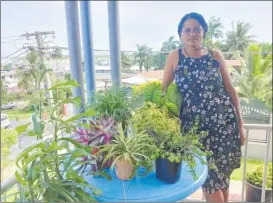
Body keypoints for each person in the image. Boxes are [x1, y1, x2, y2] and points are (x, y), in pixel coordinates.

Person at [161, 12, 246, 202]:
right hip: (194, 131)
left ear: (204, 32)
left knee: (222, 178)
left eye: (197, 29)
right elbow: (163, 92)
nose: (193, 34)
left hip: (224, 126)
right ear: (180, 34)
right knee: (209, 181)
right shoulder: (175, 56)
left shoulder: (215, 55)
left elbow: (231, 91)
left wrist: (240, 124)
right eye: (187, 30)